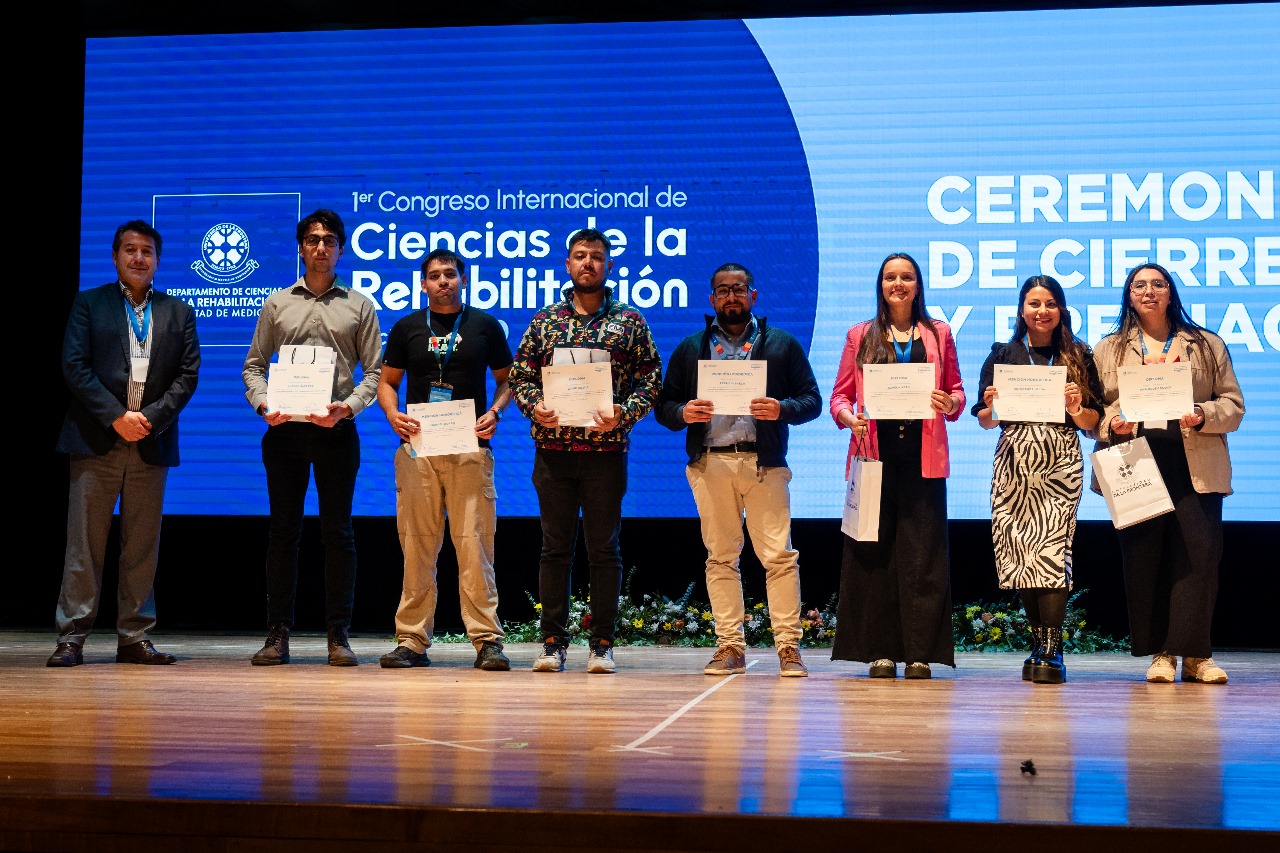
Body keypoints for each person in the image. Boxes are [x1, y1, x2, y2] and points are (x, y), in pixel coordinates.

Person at [656, 263, 821, 677]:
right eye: (723, 291)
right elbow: (664, 406)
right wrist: (683, 412)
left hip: (764, 462)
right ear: (712, 300)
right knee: (721, 557)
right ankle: (730, 646)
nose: (732, 297)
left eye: (739, 289)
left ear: (754, 296)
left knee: (779, 557)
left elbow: (812, 400)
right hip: (711, 463)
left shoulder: (781, 345)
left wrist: (782, 408)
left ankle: (788, 647)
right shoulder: (692, 348)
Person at [509, 227, 662, 674]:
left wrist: (625, 412)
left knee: (604, 550)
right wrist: (534, 407)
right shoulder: (544, 321)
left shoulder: (629, 322)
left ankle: (602, 643)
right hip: (554, 452)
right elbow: (520, 377)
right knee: (554, 550)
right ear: (567, 264)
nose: (588, 263)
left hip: (605, 454)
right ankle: (553, 642)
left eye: (596, 256)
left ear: (609, 265)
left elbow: (651, 378)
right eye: (579, 256)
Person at [49, 220, 201, 667]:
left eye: (147, 251)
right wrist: (116, 417)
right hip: (97, 438)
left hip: (150, 442)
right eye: (130, 250)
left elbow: (187, 376)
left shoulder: (178, 312)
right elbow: (74, 367)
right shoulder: (90, 303)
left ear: (158, 260)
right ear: (116, 257)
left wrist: (148, 419)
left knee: (141, 545)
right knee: (84, 544)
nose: (139, 258)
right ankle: (72, 635)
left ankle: (134, 636)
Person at [242, 209, 383, 666]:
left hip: (336, 431)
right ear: (301, 248)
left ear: (340, 249)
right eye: (312, 239)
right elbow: (253, 367)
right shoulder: (276, 303)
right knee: (284, 533)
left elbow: (376, 373)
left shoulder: (359, 305)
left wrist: (350, 406)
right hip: (284, 432)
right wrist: (264, 404)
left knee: (338, 533)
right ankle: (277, 633)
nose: (320, 247)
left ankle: (338, 635)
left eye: (328, 240)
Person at [1092, 262, 1243, 684]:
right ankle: (1161, 655)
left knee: (1198, 560)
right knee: (1145, 561)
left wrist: (1201, 413)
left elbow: (1233, 406)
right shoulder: (1109, 348)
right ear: (1129, 295)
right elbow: (1094, 415)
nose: (1149, 291)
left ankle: (1196, 656)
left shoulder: (1206, 344)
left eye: (1158, 284)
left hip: (1195, 464)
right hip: (1136, 463)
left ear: (1171, 293)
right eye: (1139, 285)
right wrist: (1110, 424)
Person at [828, 252, 964, 680]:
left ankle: (920, 653)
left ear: (918, 285)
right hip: (873, 457)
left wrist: (950, 403)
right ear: (880, 285)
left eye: (906, 277)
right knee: (874, 554)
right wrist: (849, 418)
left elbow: (957, 393)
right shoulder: (860, 334)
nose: (898, 284)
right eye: (890, 277)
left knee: (923, 557)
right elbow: (840, 397)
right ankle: (881, 651)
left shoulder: (938, 333)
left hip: (923, 459)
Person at [377, 249, 513, 672]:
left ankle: (487, 640)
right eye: (434, 276)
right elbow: (386, 381)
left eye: (450, 274)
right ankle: (412, 640)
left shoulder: (485, 326)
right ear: (423, 284)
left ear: (464, 280)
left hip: (470, 448)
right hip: (419, 449)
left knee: (474, 546)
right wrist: (391, 413)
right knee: (417, 546)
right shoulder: (406, 328)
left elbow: (508, 381)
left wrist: (496, 412)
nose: (443, 282)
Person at [972, 275, 1103, 684]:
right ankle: (1038, 643)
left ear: (1061, 309)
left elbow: (1092, 423)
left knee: (1051, 552)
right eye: (1033, 303)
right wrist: (991, 406)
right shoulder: (1003, 353)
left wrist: (1077, 406)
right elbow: (984, 420)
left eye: (1049, 303)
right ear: (1021, 310)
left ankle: (1053, 649)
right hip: (1014, 459)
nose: (1042, 311)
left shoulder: (1079, 355)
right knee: (1021, 553)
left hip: (1059, 461)